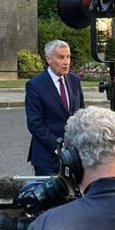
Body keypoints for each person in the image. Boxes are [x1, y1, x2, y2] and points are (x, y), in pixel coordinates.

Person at [25, 40, 84, 175]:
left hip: (74, 156)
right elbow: (35, 124)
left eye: (68, 56)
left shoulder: (75, 80)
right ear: (49, 59)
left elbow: (81, 115)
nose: (66, 61)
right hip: (47, 158)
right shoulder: (35, 85)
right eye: (61, 57)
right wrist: (59, 146)